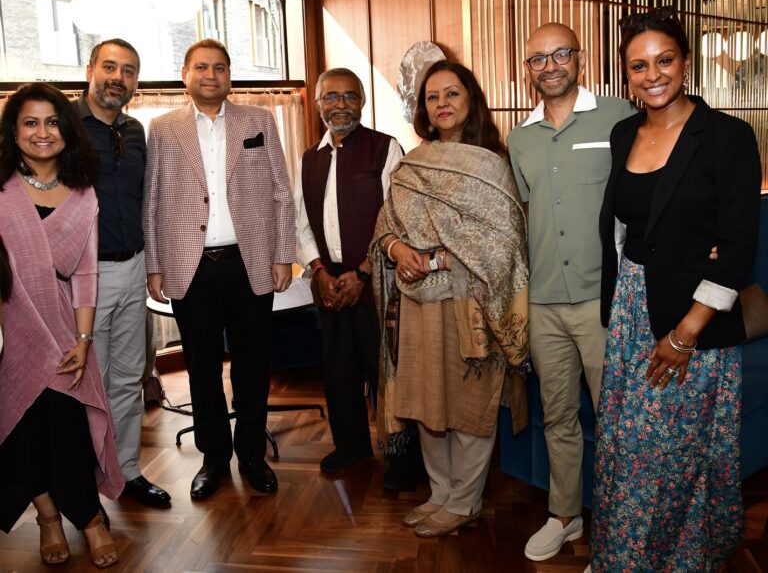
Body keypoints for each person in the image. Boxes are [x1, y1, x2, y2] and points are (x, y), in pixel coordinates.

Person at [589, 6, 761, 571]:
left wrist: (685, 334)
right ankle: (624, 557)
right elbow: (625, 224)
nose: (652, 74)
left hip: (695, 321)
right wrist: (621, 294)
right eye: (638, 65)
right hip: (633, 309)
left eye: (664, 60)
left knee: (677, 453)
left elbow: (737, 248)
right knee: (627, 448)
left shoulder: (728, 137)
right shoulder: (622, 133)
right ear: (626, 73)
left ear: (685, 62)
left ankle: (679, 559)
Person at [370, 60, 529, 537]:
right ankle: (440, 494)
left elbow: (504, 243)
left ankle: (465, 500)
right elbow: (385, 226)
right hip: (416, 304)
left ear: (470, 100)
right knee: (424, 401)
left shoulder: (491, 164)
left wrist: (437, 259)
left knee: (467, 404)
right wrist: (399, 250)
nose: (441, 104)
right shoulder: (412, 162)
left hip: (471, 305)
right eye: (432, 97)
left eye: (451, 94)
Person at [143, 39, 295, 500]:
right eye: (202, 67)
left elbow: (282, 194)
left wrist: (282, 254)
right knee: (201, 369)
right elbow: (152, 202)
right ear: (185, 74)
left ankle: (251, 454)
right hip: (190, 267)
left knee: (253, 364)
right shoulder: (163, 129)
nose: (211, 75)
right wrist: (155, 264)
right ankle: (213, 459)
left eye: (221, 68)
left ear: (230, 75)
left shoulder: (259, 121)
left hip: (248, 262)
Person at [507, 23, 635, 561]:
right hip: (544, 303)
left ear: (580, 58)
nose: (550, 66)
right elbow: (525, 215)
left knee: (617, 417)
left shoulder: (620, 117)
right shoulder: (519, 138)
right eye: (538, 59)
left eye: (561, 54)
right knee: (556, 415)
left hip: (602, 298)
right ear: (527, 69)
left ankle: (624, 525)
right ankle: (566, 516)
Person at [0, 83, 123, 567]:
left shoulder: (82, 193)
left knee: (67, 425)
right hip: (14, 333)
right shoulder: (2, 189)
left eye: (52, 122)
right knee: (23, 430)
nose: (42, 132)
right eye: (30, 122)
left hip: (68, 331)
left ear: (66, 131)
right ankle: (48, 516)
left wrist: (85, 339)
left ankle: (88, 519)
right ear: (14, 131)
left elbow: (88, 272)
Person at [295, 68, 416, 483]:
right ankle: (350, 447)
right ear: (318, 104)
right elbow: (300, 222)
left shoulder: (386, 149)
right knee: (339, 370)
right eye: (331, 97)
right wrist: (318, 270)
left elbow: (398, 219)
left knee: (386, 374)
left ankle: (401, 459)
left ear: (362, 102)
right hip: (329, 286)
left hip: (378, 285)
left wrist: (363, 273)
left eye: (349, 96)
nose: (340, 105)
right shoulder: (309, 158)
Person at [80, 39, 171, 508]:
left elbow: (148, 203)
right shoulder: (63, 129)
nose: (118, 77)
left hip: (133, 268)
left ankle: (127, 471)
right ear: (90, 68)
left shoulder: (136, 131)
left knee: (128, 377)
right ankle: (82, 483)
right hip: (82, 279)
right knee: (84, 383)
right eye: (110, 66)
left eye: (129, 70)